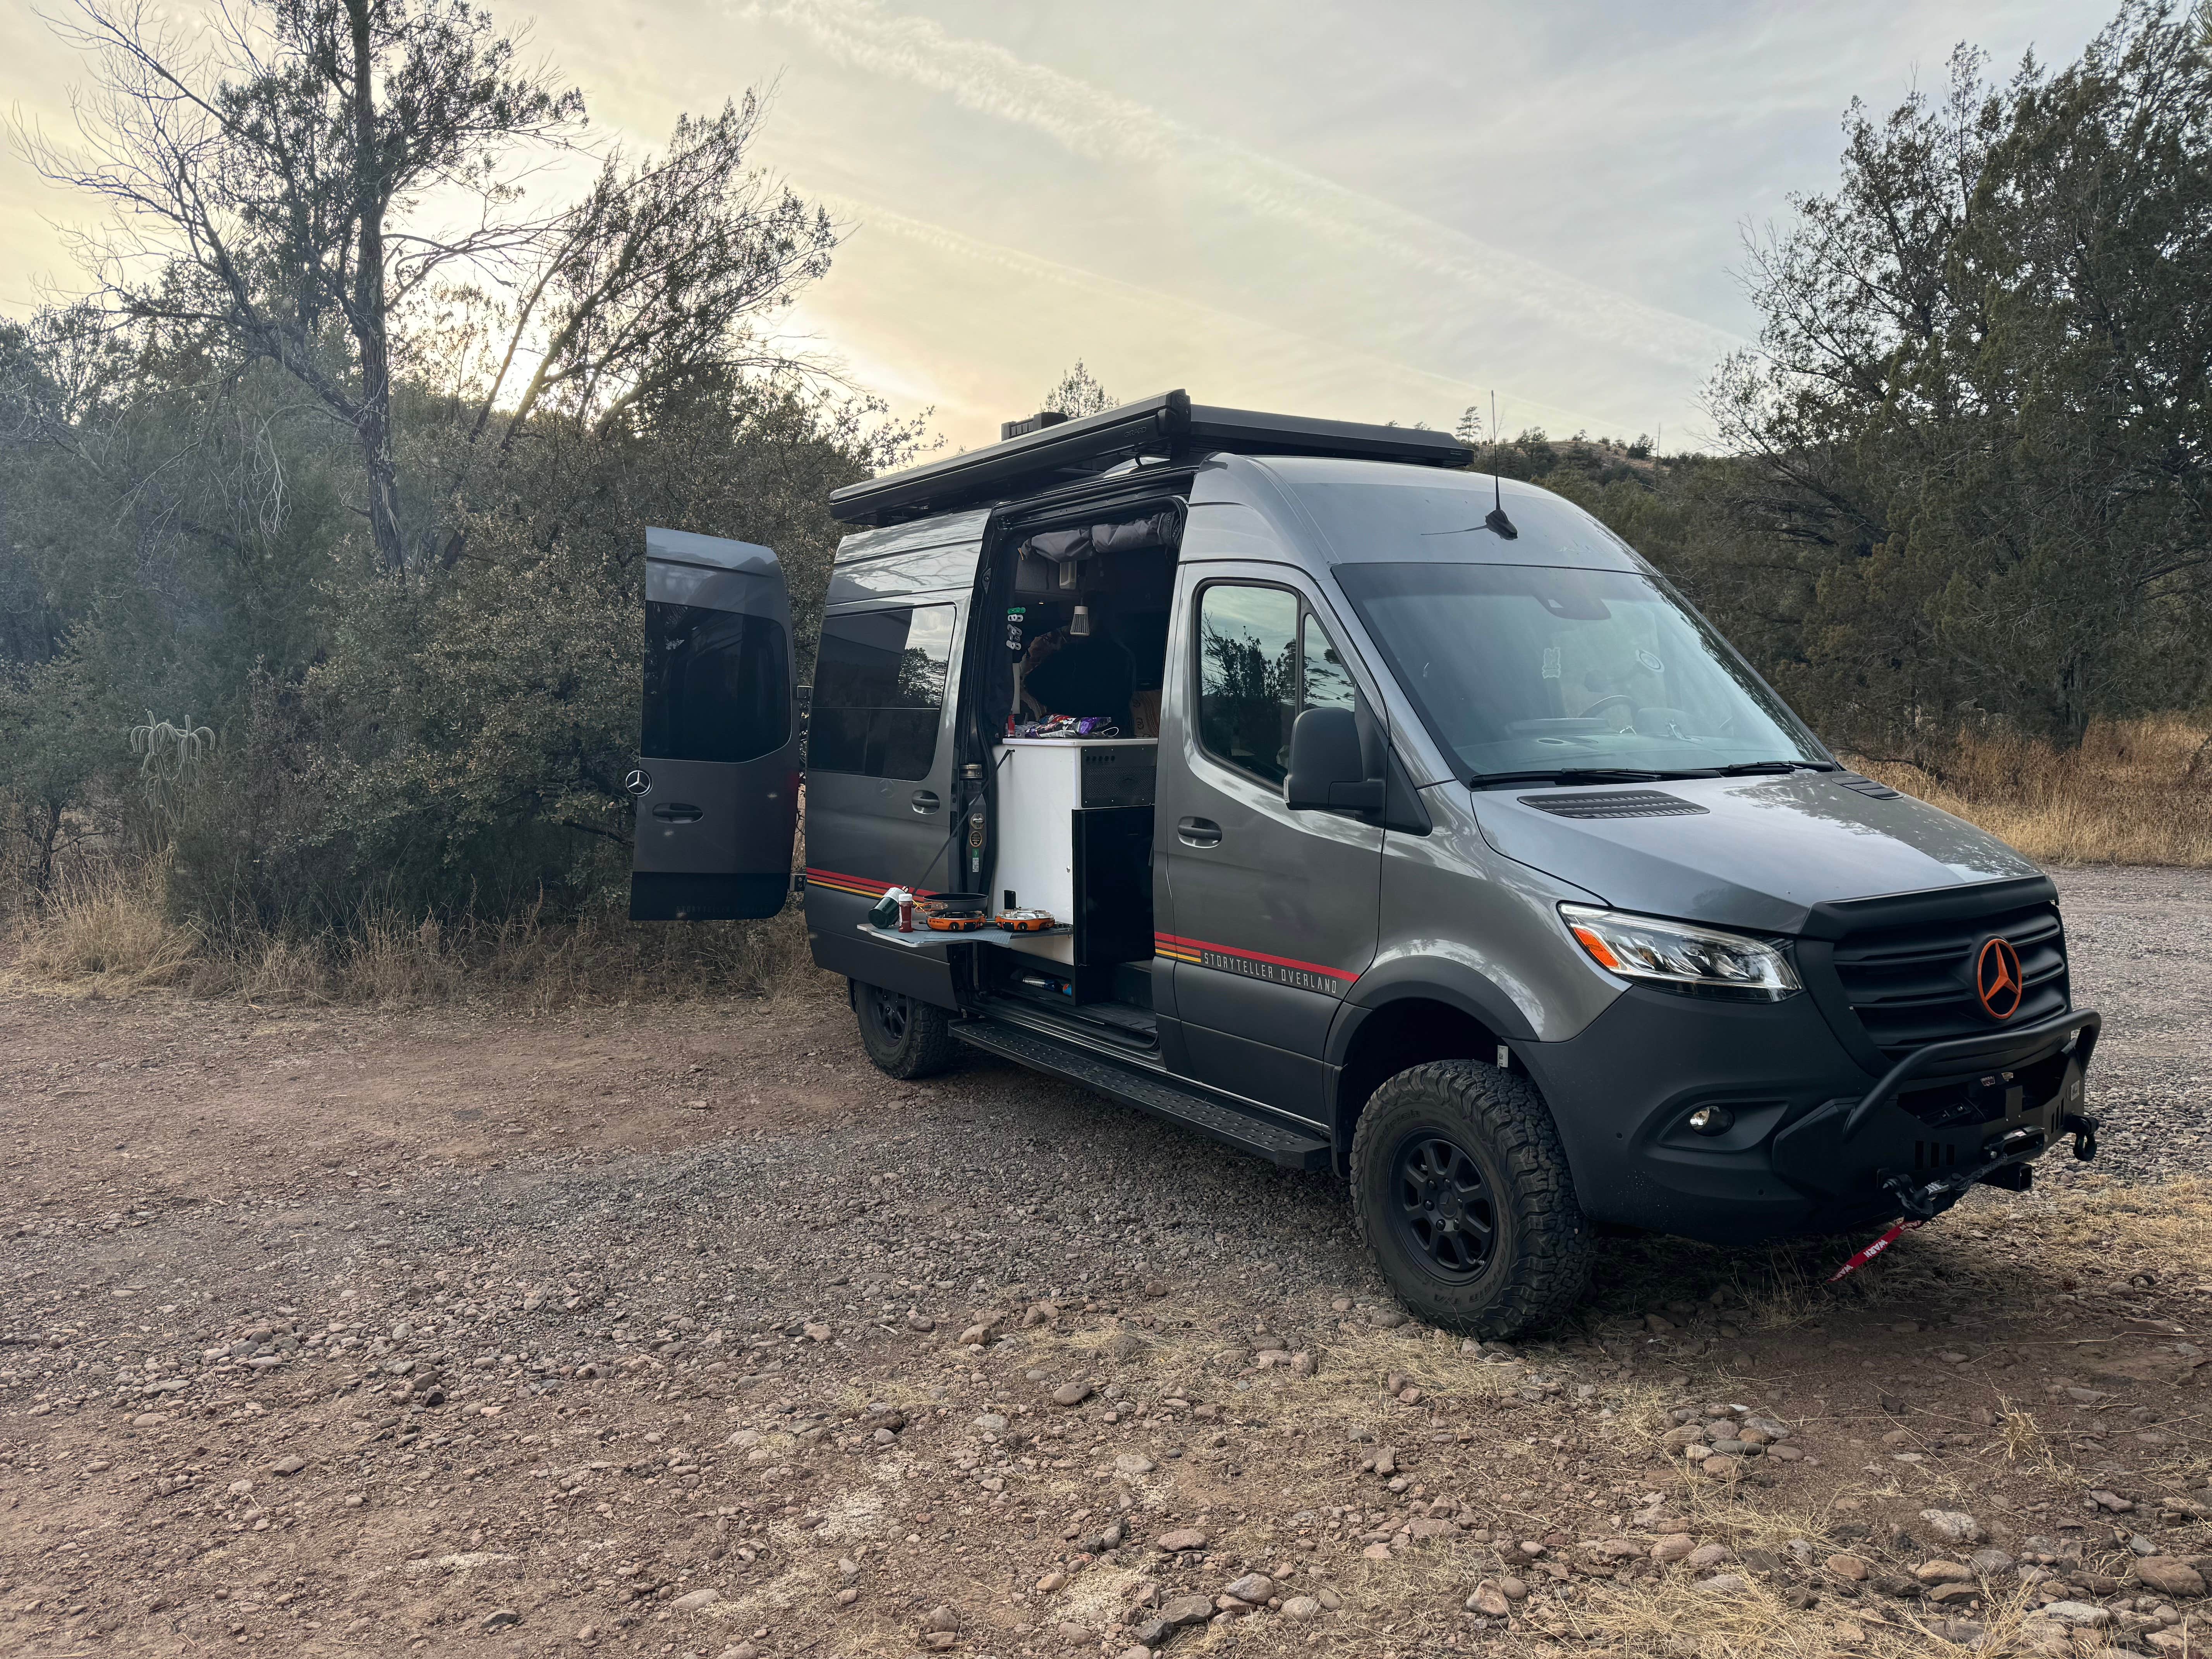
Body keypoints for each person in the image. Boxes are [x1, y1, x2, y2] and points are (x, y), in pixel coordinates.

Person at [1022, 620, 1135, 733]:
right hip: (1116, 731)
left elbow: (1033, 684)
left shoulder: (1069, 655)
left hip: (1073, 729)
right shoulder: (1125, 655)